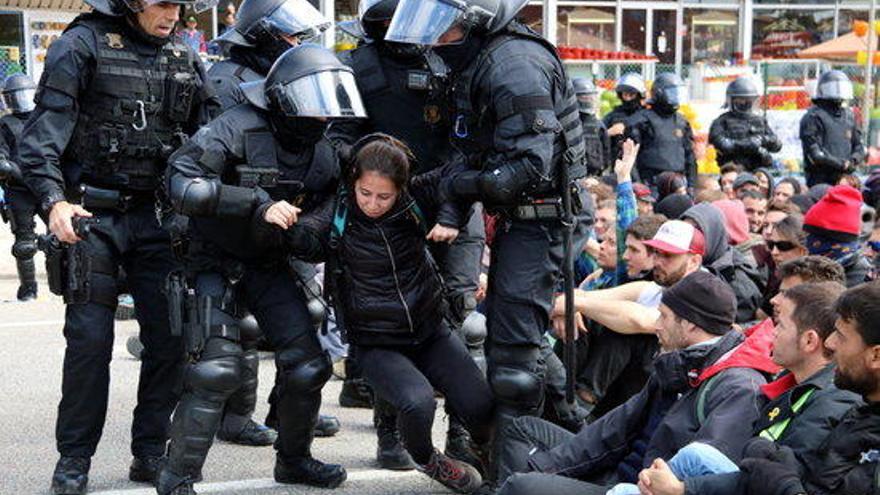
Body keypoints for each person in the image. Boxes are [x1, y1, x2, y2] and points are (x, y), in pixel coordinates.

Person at [385, 0, 594, 481]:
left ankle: (515, 478)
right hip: (522, 219)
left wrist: (458, 190)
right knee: (516, 344)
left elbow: (525, 168)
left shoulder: (513, 65)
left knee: (513, 366)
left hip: (544, 218)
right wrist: (434, 193)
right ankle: (577, 446)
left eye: (447, 28)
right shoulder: (480, 60)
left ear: (479, 20)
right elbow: (470, 153)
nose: (436, 40)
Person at [16, 0, 217, 491]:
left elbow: (213, 133)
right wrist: (53, 202)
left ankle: (149, 451)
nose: (172, 13)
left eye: (178, 4)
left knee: (170, 338)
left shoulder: (184, 57)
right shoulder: (80, 45)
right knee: (89, 342)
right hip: (92, 215)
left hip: (157, 217)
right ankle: (74, 461)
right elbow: (40, 137)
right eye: (161, 3)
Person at [158, 44, 360, 494]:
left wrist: (312, 228)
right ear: (286, 98)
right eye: (314, 99)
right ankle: (177, 477)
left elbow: (335, 198)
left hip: (268, 263)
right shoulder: (235, 127)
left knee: (308, 364)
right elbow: (181, 183)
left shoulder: (322, 150)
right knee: (216, 370)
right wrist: (255, 204)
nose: (322, 113)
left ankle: (294, 461)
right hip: (212, 260)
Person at [282, 133, 494, 493]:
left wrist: (447, 215)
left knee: (481, 404)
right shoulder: (338, 211)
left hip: (429, 330)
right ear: (354, 184)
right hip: (376, 343)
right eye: (366, 193)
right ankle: (430, 460)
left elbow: (459, 172)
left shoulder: (415, 198)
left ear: (401, 188)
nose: (374, 203)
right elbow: (306, 238)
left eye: (384, 196)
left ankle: (489, 457)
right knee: (418, 403)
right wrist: (281, 221)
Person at [331, 0, 487, 469]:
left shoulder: (451, 53)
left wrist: (454, 200)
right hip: (384, 206)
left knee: (460, 312)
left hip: (451, 199)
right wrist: (373, 170)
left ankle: (463, 432)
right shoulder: (357, 67)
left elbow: (470, 135)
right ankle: (393, 429)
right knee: (387, 320)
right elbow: (337, 136)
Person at [496, 271, 773, 495]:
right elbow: (614, 427)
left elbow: (703, 478)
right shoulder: (681, 361)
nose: (657, 325)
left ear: (690, 325)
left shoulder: (738, 387)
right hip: (618, 468)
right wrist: (547, 467)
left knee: (522, 486)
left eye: (663, 316)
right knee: (523, 431)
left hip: (636, 487)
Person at [204, 0, 334, 448]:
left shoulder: (286, 74)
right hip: (236, 217)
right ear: (260, 35)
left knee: (308, 313)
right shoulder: (226, 82)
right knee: (238, 325)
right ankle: (236, 416)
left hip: (285, 211)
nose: (297, 45)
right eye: (290, 36)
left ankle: (290, 411)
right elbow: (212, 160)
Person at [644, 282, 880, 495]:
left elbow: (783, 479)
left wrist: (783, 484)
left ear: (876, 355)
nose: (830, 343)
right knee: (693, 457)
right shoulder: (862, 410)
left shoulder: (833, 400)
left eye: (841, 336)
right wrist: (684, 489)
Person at [681, 202, 764, 323]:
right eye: (686, 230)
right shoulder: (680, 262)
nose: (690, 237)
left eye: (697, 231)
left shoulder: (737, 283)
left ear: (714, 233)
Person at [0, 73, 42, 301]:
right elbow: (1, 161)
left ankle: (69, 284)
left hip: (46, 184)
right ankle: (29, 289)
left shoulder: (43, 119)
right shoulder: (5, 124)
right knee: (25, 244)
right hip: (19, 189)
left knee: (66, 236)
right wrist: (20, 174)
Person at [625, 73, 696, 189]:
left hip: (678, 183)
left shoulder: (682, 122)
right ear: (659, 93)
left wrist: (691, 186)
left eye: (677, 93)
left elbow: (690, 157)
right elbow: (629, 158)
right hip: (651, 182)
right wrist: (638, 185)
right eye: (672, 93)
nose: (676, 97)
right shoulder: (640, 120)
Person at [800, 70, 865, 187]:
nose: (837, 90)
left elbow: (859, 146)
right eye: (832, 86)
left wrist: (853, 161)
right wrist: (841, 164)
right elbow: (816, 154)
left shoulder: (849, 116)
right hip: (820, 181)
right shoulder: (813, 117)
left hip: (846, 180)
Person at [803, 184, 872, 287]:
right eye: (809, 234)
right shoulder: (806, 269)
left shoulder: (864, 277)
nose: (811, 242)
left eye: (821, 237)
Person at [709, 77, 781, 172]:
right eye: (740, 100)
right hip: (732, 170)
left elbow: (777, 145)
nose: (745, 103)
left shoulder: (759, 121)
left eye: (748, 100)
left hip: (757, 170)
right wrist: (747, 144)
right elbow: (723, 145)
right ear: (731, 100)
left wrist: (762, 140)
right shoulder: (721, 122)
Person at [572, 77, 611, 176]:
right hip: (574, 175)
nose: (588, 100)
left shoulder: (598, 125)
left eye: (590, 96)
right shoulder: (569, 124)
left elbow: (606, 151)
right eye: (584, 97)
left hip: (595, 175)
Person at [603, 73, 646, 154]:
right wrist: (609, 132)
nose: (628, 98)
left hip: (642, 161)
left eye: (631, 95)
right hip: (619, 160)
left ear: (639, 95)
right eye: (625, 94)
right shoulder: (613, 115)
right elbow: (597, 136)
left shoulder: (646, 115)